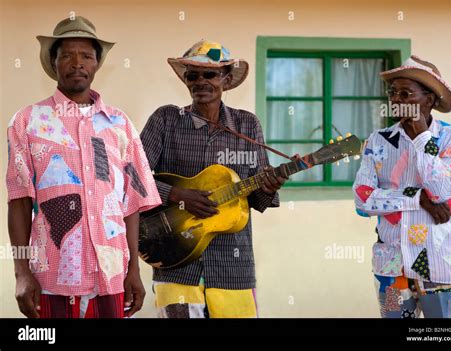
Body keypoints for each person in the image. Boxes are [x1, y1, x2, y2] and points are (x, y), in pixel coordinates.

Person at [6, 16, 161, 318]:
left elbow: (131, 205)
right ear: (54, 63)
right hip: (50, 277)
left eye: (86, 55)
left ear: (96, 64)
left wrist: (134, 270)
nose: (77, 62)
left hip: (111, 275)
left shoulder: (120, 124)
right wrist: (21, 272)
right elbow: (19, 202)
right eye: (67, 55)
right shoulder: (27, 122)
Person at [140, 40, 287, 318]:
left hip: (232, 264)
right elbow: (131, 175)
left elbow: (258, 198)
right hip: (174, 257)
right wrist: (178, 196)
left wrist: (270, 185)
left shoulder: (247, 125)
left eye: (209, 74)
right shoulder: (166, 120)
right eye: (192, 75)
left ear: (226, 79)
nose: (200, 81)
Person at [353, 55, 451, 318]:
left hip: (442, 269)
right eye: (393, 93)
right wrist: (419, 199)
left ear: (429, 100)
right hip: (390, 272)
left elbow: (442, 191)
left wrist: (422, 139)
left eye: (406, 94)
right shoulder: (378, 141)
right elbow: (363, 200)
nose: (397, 100)